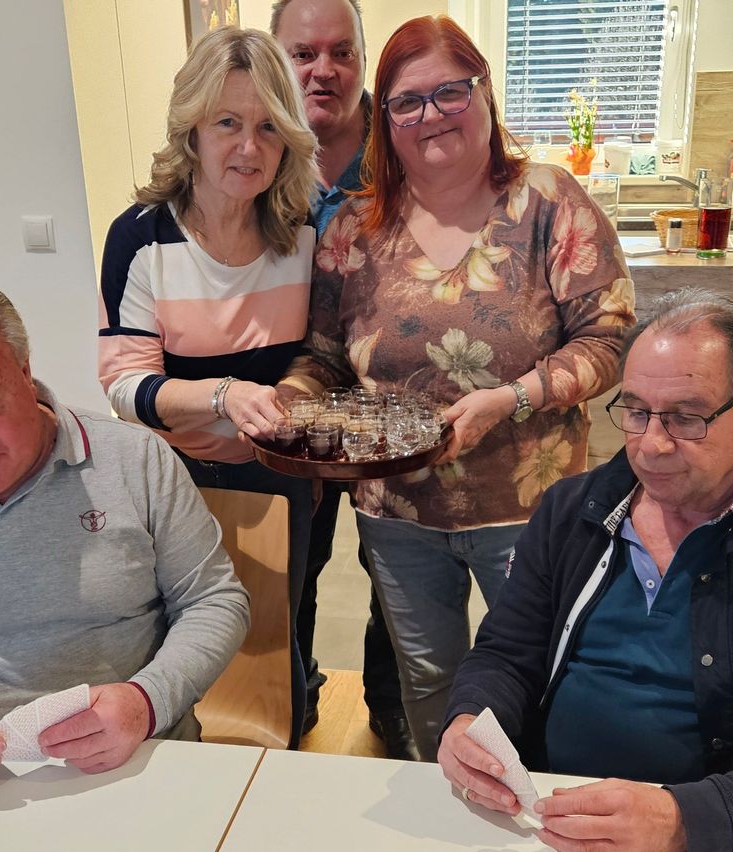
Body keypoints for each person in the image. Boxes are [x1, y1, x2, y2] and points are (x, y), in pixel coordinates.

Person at [281, 14, 635, 761]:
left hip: (531, 506)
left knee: (539, 675)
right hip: (397, 508)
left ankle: (535, 808)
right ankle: (447, 805)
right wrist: (291, 396)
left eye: (450, 92)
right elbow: (324, 354)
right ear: (386, 120)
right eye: (406, 101)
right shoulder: (353, 229)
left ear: (485, 94)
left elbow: (608, 338)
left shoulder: (547, 203)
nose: (429, 115)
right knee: (430, 680)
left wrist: (511, 398)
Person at [439, 288, 733, 852]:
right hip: (546, 820)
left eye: (684, 418)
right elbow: (508, 653)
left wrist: (686, 818)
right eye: (635, 412)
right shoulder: (572, 509)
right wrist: (469, 722)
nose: (650, 445)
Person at [97, 27, 316, 748]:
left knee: (283, 637)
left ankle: (286, 755)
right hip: (174, 480)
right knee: (187, 644)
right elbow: (126, 385)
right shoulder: (141, 238)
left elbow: (323, 351)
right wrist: (223, 395)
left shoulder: (302, 232)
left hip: (282, 475)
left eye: (266, 128)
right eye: (227, 123)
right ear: (191, 125)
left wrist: (294, 388)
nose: (248, 148)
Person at [0, 273, 249, 793]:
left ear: (25, 373)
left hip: (138, 759)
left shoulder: (133, 459)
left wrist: (146, 702)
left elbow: (214, 600)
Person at [271, 0, 414, 759]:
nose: (322, 70)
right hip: (291, 407)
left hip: (395, 410)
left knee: (392, 567)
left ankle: (391, 710)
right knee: (293, 562)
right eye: (302, 54)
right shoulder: (258, 159)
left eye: (339, 52)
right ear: (276, 58)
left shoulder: (404, 151)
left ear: (363, 58)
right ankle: (294, 700)